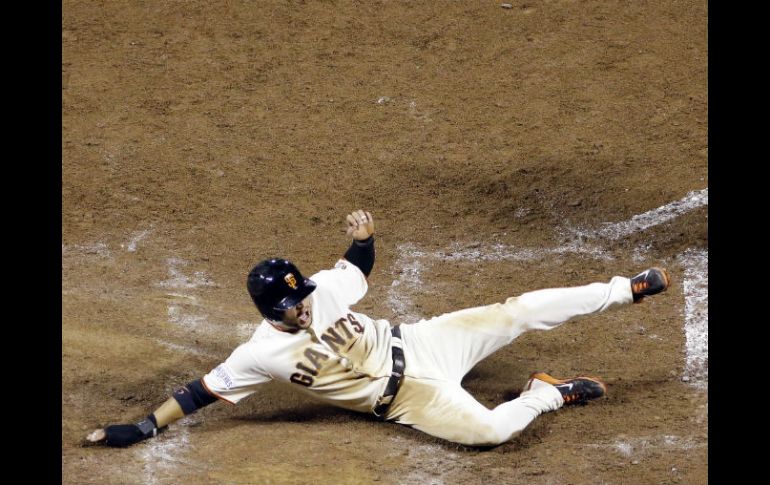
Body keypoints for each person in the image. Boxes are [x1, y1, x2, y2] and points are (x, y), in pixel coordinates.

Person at [86, 209, 671, 448]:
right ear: (271, 312)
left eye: (305, 295)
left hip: (422, 341)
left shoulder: (323, 288)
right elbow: (197, 394)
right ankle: (546, 394)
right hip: (411, 398)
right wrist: (139, 428)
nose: (307, 305)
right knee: (491, 435)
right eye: (294, 306)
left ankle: (625, 289)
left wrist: (363, 238)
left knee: (515, 311)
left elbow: (356, 267)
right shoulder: (259, 355)